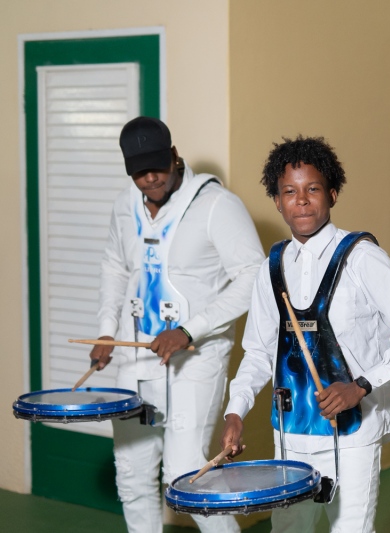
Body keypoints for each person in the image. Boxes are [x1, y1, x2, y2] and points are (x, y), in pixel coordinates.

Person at [221, 136, 390, 533]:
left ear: (332, 194)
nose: (301, 201)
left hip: (354, 432)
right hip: (290, 432)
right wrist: (236, 409)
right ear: (277, 201)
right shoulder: (273, 266)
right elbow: (258, 352)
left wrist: (361, 385)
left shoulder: (362, 257)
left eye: (312, 189)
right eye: (290, 191)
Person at [91, 116, 265, 533]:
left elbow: (254, 276)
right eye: (139, 172)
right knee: (132, 475)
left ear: (174, 154)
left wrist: (189, 329)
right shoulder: (124, 205)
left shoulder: (217, 204)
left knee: (187, 477)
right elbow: (115, 267)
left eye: (157, 167)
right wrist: (106, 329)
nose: (150, 179)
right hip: (137, 357)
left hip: (195, 356)